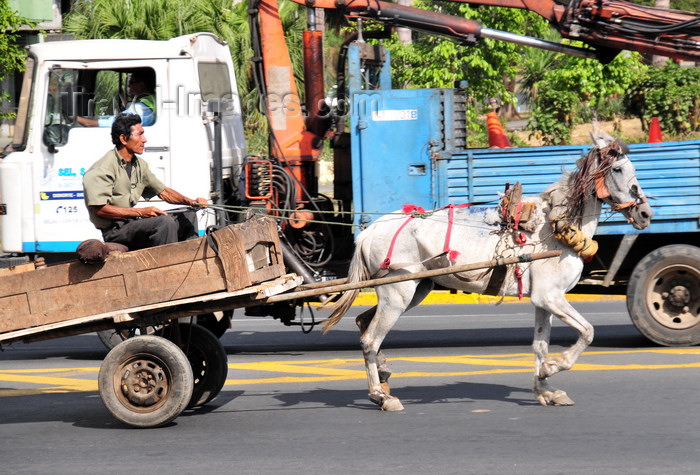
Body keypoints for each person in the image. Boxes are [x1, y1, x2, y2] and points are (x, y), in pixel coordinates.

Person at [83, 113, 208, 250]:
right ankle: (166, 267)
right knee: (164, 223)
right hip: (115, 230)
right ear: (124, 139)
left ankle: (190, 263)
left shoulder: (139, 165)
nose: (145, 140)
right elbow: (100, 210)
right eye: (140, 135)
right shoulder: (103, 168)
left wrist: (192, 202)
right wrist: (141, 212)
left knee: (188, 215)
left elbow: (164, 192)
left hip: (133, 223)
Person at [77, 69, 156, 127]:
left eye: (131, 83)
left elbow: (116, 124)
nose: (128, 86)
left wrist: (78, 119)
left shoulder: (141, 108)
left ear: (141, 85)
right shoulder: (153, 101)